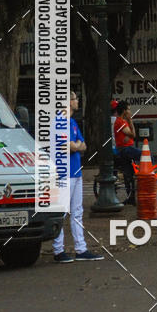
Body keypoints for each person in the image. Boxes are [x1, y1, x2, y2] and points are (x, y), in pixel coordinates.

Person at [53, 92, 104, 262]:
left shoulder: (72, 122)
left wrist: (75, 145)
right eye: (74, 99)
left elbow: (82, 145)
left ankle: (80, 249)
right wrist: (75, 145)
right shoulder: (59, 121)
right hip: (63, 173)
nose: (77, 101)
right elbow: (69, 147)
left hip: (75, 171)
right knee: (61, 212)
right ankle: (58, 250)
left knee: (77, 211)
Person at [114, 100, 142, 205]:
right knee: (146, 155)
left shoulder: (122, 122)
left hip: (126, 148)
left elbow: (130, 135)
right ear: (124, 111)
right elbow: (133, 134)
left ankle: (131, 197)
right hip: (125, 149)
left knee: (129, 174)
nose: (130, 111)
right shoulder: (121, 122)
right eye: (129, 109)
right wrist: (130, 121)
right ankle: (148, 173)